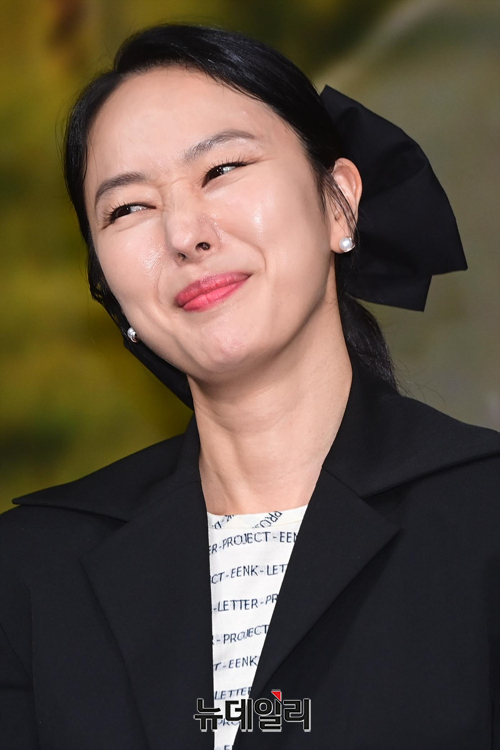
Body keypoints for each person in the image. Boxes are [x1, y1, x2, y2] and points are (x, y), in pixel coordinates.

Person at [0, 23, 499, 750]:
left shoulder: (483, 514)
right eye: (128, 208)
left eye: (222, 169)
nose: (184, 234)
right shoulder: (31, 570)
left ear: (338, 202)